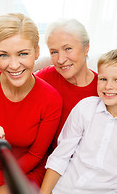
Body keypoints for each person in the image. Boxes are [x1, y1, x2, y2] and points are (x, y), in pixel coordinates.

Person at [0, 13, 62, 194]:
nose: (14, 65)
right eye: (4, 55)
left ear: (37, 52)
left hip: (26, 169)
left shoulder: (51, 98)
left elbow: (35, 156)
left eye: (23, 54)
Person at [40, 48, 117, 194]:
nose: (108, 86)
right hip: (63, 189)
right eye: (103, 79)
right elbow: (60, 157)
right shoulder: (85, 108)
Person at [35, 18, 98, 149]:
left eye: (68, 48)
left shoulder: (104, 87)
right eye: (54, 52)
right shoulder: (47, 76)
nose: (61, 60)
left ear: (86, 48)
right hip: (50, 160)